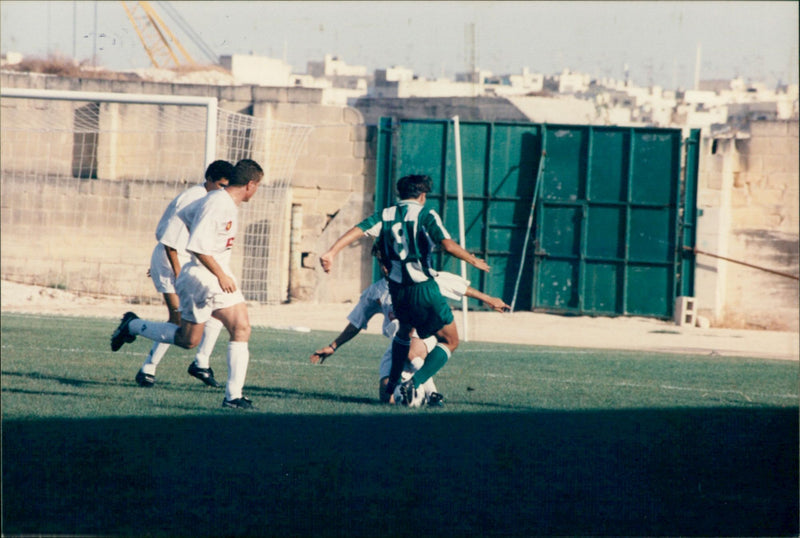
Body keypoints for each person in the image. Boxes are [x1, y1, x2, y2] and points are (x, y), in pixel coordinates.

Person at [320, 174, 490, 407]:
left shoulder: (385, 215)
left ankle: (393, 386)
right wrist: (472, 259)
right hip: (423, 287)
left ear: (400, 194)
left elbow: (357, 230)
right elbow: (447, 245)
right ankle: (416, 382)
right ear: (422, 195)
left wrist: (331, 252)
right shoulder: (425, 214)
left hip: (398, 292)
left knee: (403, 334)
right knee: (450, 341)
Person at [111, 159, 264, 409]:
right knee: (191, 338)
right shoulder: (218, 203)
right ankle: (134, 326)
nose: (256, 191)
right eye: (258, 186)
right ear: (250, 184)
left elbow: (184, 217)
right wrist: (220, 275)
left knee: (231, 330)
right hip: (204, 278)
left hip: (212, 275)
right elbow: (197, 246)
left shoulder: (220, 200)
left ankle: (232, 396)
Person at [310, 269, 509, 406]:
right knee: (387, 399)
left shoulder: (421, 279)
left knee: (411, 352)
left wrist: (489, 299)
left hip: (424, 338)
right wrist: (333, 346)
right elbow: (356, 322)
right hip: (397, 344)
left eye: (388, 260)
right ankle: (421, 391)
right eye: (382, 261)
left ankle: (429, 393)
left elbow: (458, 287)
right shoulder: (376, 291)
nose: (386, 266)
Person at [135, 160, 235, 388]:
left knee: (217, 310)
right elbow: (170, 241)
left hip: (185, 261)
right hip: (173, 260)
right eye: (220, 185)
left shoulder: (212, 199)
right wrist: (179, 275)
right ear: (209, 179)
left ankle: (200, 362)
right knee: (178, 320)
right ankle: (146, 365)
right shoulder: (194, 197)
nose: (223, 190)